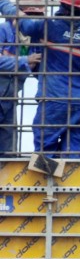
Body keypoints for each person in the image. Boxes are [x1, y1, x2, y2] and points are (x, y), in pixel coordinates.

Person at [0, 0, 80, 157]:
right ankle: (72, 178)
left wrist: (2, 2)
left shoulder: (48, 28)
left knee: (45, 151)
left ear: (62, 7)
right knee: (74, 150)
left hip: (53, 101)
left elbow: (21, 21)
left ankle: (47, 180)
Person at [0, 14, 30, 154]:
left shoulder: (30, 38)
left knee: (9, 149)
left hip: (10, 98)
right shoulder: (3, 30)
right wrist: (24, 60)